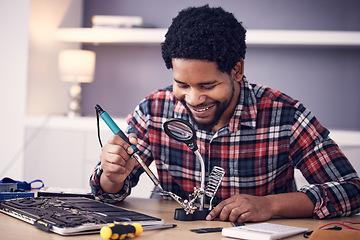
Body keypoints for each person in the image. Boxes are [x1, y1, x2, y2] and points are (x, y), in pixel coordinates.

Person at [90, 5, 360, 223]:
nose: (194, 99)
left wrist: (270, 205)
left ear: (237, 70)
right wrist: (112, 177)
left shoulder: (286, 116)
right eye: (182, 85)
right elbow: (109, 195)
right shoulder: (153, 110)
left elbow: (352, 190)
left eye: (208, 86)